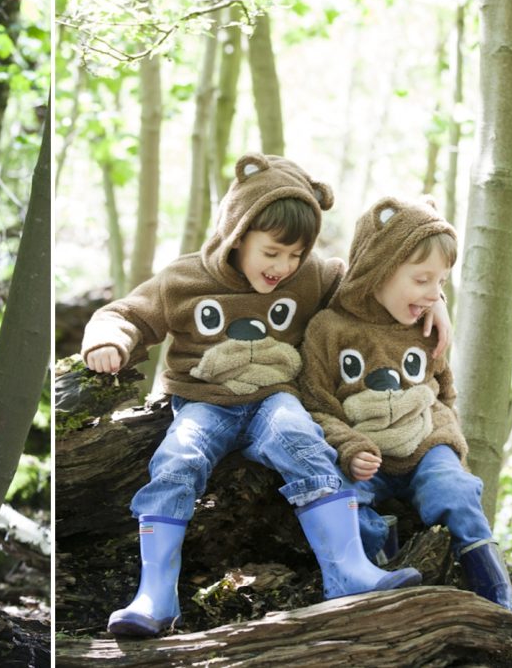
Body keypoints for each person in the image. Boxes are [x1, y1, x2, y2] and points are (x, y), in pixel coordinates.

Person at [82, 153, 445, 637]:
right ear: (238, 232)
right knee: (177, 458)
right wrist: (109, 342)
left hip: (275, 399)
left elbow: (367, 286)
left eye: (295, 254)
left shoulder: (311, 277)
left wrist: (434, 299)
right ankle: (156, 594)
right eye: (272, 251)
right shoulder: (184, 279)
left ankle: (348, 572)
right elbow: (126, 314)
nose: (283, 266)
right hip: (205, 401)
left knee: (301, 438)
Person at [299, 195, 512, 624]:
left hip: (426, 445)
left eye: (442, 283)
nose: (434, 293)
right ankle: (382, 574)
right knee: (341, 499)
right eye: (422, 280)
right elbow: (316, 403)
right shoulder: (329, 329)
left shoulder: (427, 327)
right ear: (380, 267)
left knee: (456, 491)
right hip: (363, 455)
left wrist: (445, 442)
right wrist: (349, 445)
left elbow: (444, 393)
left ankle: (498, 595)